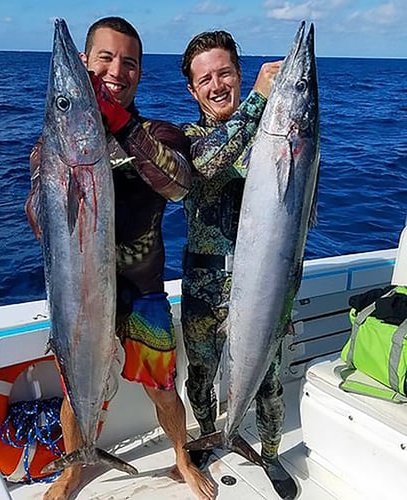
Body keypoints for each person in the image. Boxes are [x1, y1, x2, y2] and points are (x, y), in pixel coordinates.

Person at [26, 16, 215, 500]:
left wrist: (121, 123)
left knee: (163, 389)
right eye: (105, 58)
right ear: (87, 63)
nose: (117, 69)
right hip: (80, 297)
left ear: (140, 73)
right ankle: (76, 463)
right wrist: (52, 174)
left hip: (143, 292)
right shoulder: (53, 146)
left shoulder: (161, 134)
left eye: (129, 62)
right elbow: (39, 222)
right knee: (75, 388)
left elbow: (178, 185)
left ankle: (180, 457)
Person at [180, 30, 298, 500]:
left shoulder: (270, 137)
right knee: (202, 376)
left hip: (264, 287)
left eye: (225, 72)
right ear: (193, 90)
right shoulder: (188, 140)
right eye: (204, 78)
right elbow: (209, 164)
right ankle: (213, 437)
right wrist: (257, 102)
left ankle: (269, 454)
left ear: (239, 73)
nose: (216, 85)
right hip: (204, 286)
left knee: (268, 384)